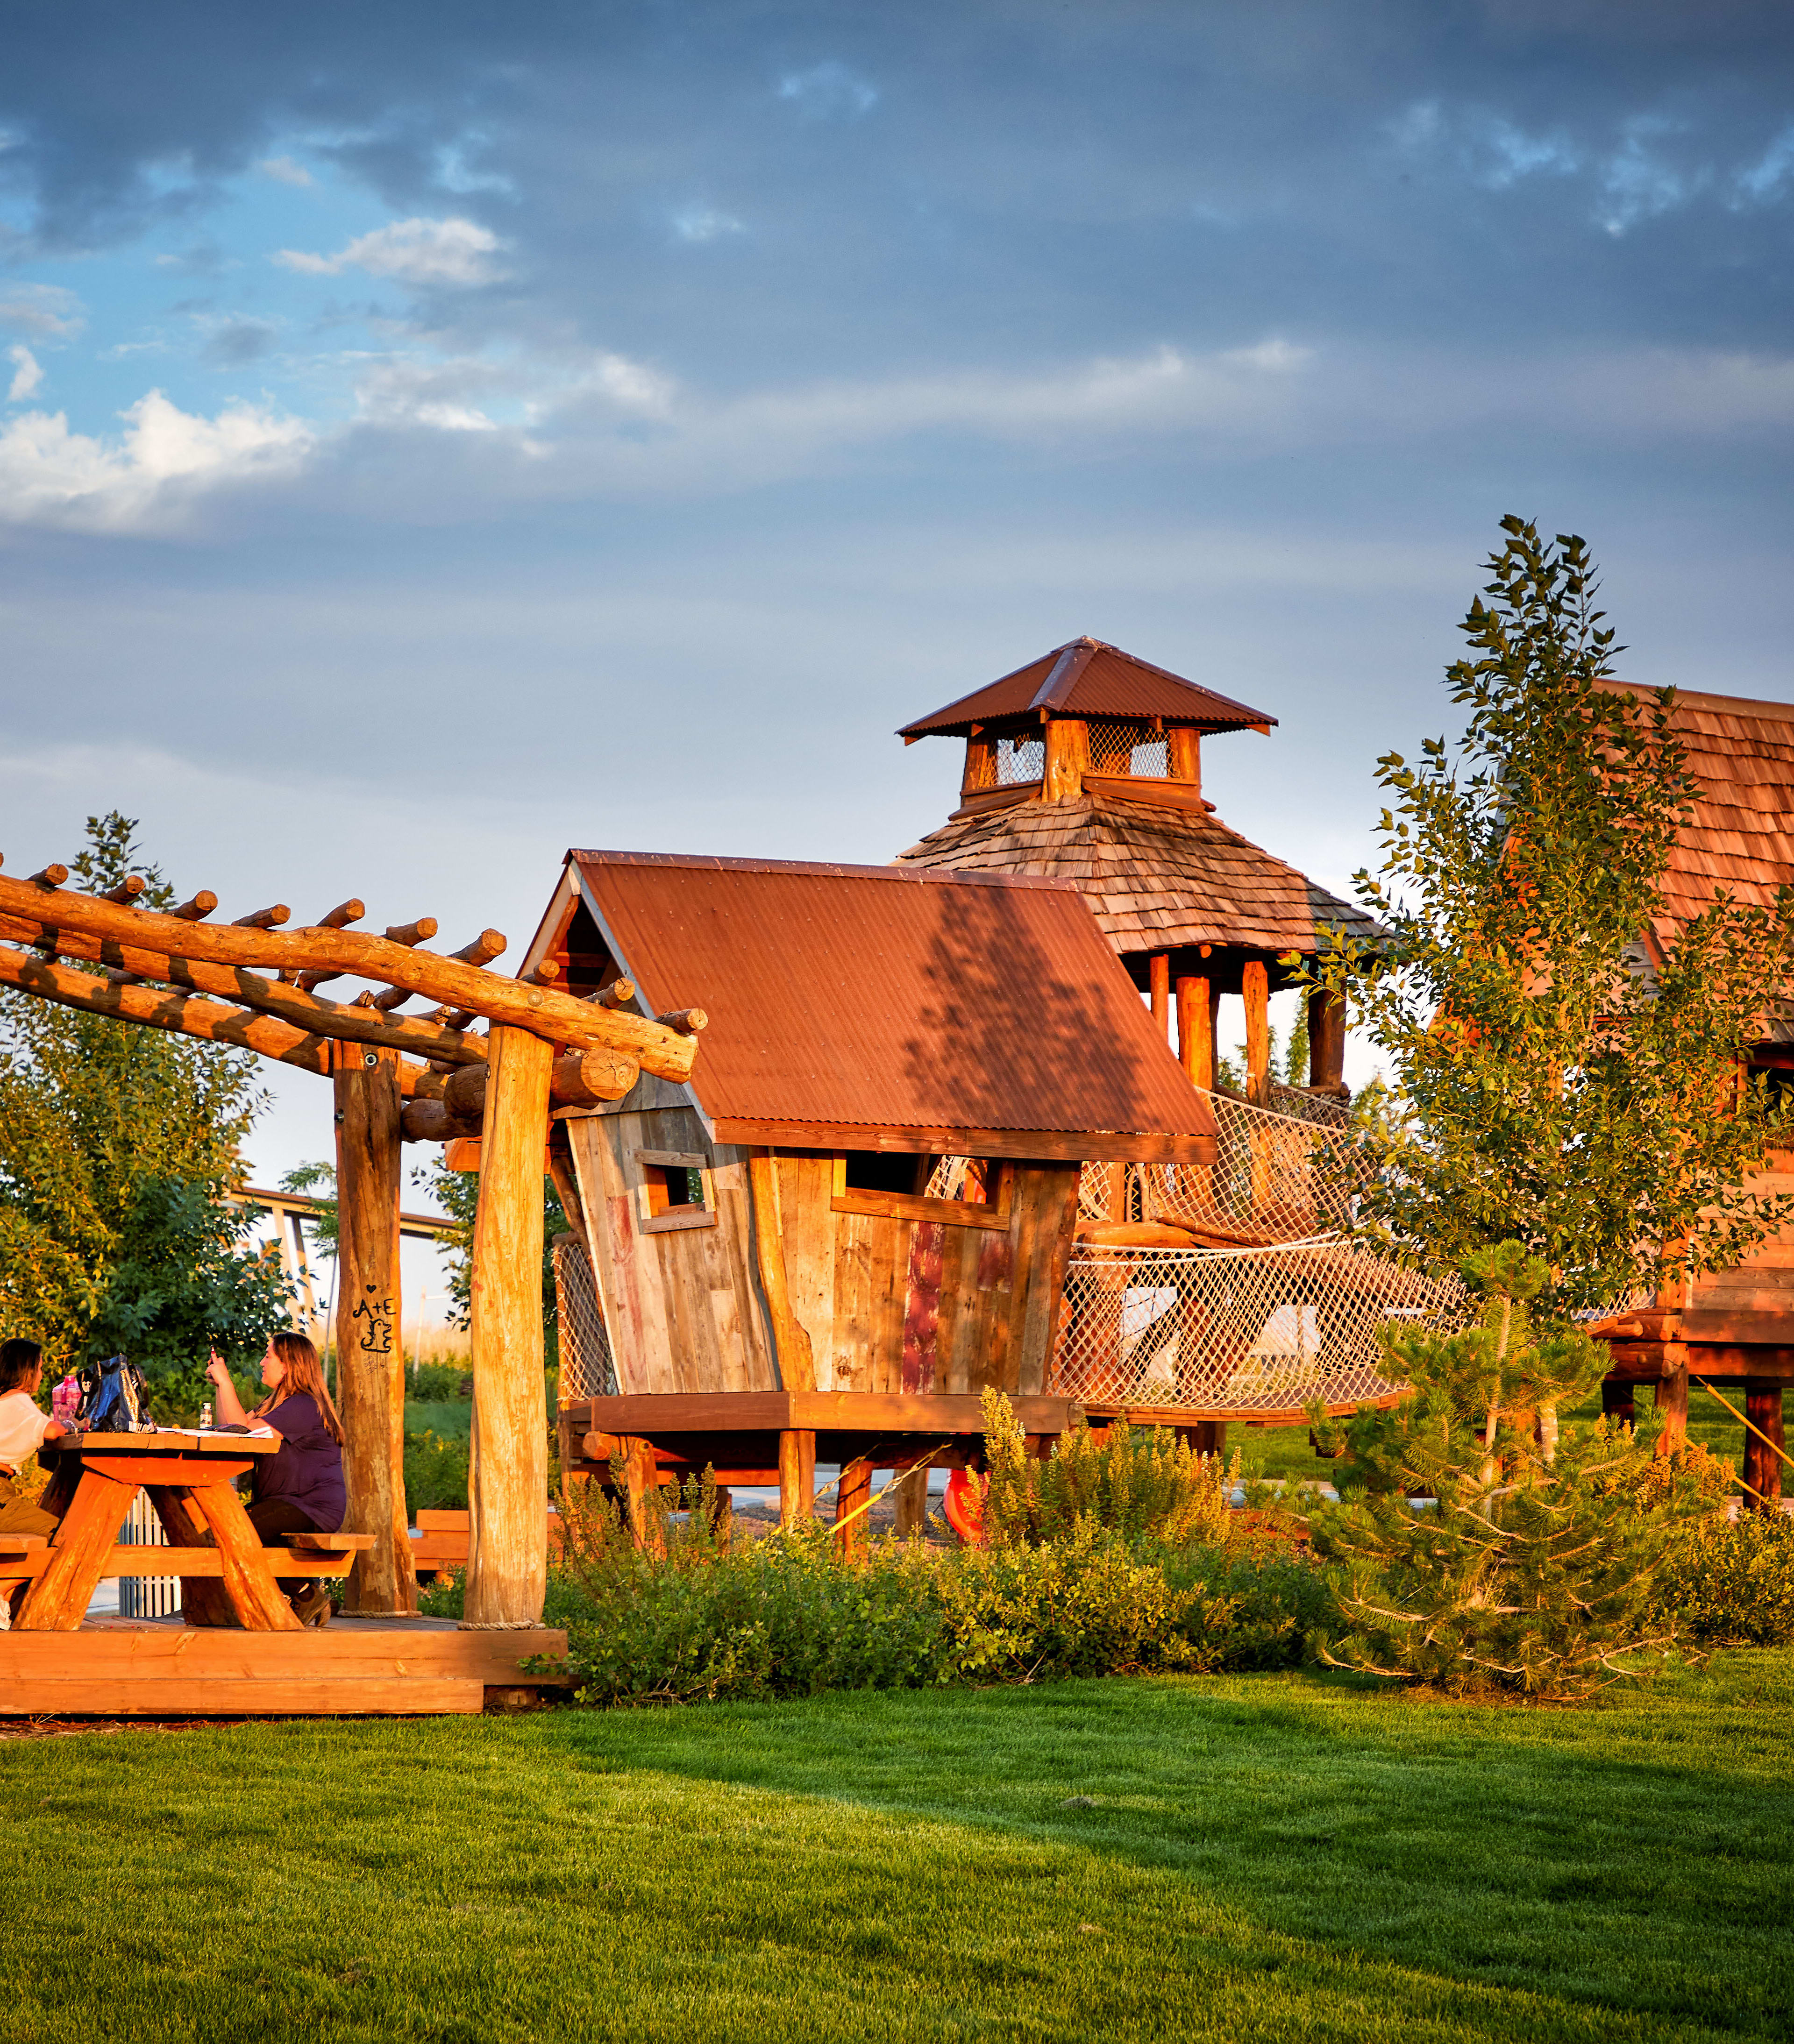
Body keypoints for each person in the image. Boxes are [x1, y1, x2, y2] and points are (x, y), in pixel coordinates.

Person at [204, 1332, 345, 1628]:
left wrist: (227, 1381)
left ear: (289, 1366)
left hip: (311, 1507)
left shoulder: (304, 1406)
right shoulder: (277, 1403)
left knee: (233, 1530)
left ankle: (296, 1598)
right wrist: (221, 1386)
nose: (262, 1362)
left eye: (268, 1356)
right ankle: (305, 1595)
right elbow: (234, 1428)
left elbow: (239, 1429)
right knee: (226, 1529)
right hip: (285, 1503)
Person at [0, 1338, 69, 1622]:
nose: (42, 1375)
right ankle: (2, 1591)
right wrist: (74, 1424)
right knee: (68, 1536)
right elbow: (52, 1431)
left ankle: (3, 1598)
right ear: (27, 1370)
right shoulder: (18, 1399)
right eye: (40, 1368)